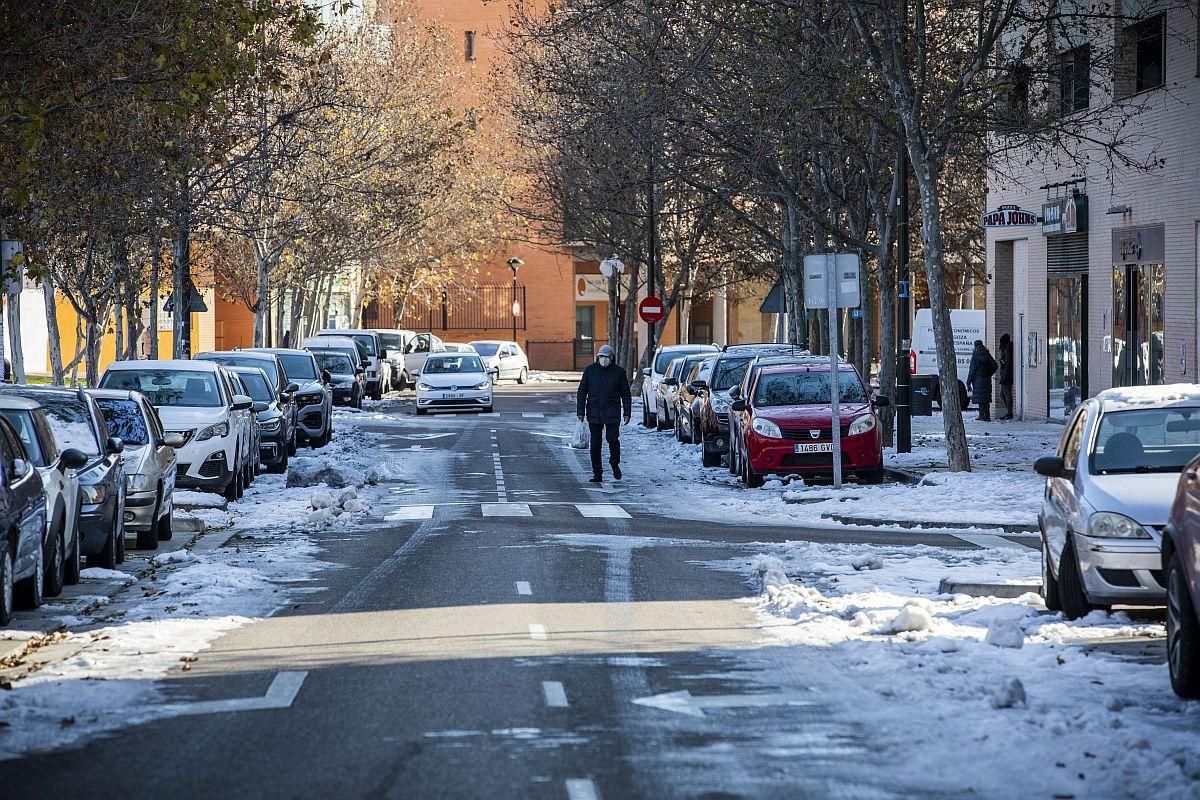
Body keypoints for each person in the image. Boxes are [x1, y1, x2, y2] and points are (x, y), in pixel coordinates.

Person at [576, 344, 631, 483]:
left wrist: (627, 412)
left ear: (611, 358)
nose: (603, 360)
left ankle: (614, 463)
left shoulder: (619, 372)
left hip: (612, 411)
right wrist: (580, 411)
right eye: (601, 357)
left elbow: (625, 393)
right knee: (595, 444)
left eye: (606, 357)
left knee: (612, 439)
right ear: (597, 357)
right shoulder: (590, 371)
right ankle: (597, 473)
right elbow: (582, 391)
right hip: (594, 411)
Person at [966, 339, 998, 422]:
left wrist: (968, 382)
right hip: (986, 379)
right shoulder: (987, 355)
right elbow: (995, 366)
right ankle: (987, 415)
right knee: (986, 398)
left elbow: (972, 371)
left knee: (980, 399)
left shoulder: (974, 357)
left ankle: (981, 415)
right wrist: (989, 373)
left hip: (978, 380)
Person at [997, 333, 1014, 420]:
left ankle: (1009, 412)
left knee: (1006, 395)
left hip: (1006, 376)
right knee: (1002, 394)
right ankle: (1008, 411)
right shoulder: (1007, 349)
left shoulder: (1007, 350)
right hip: (1005, 375)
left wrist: (1005, 376)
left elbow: (1008, 364)